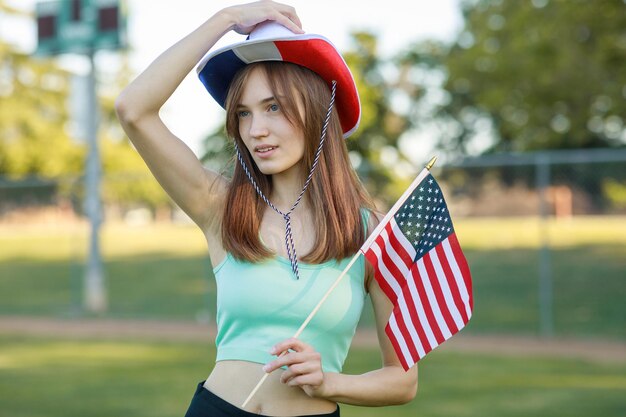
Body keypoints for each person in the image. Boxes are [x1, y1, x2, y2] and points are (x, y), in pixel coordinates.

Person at [115, 1, 418, 416]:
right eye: (243, 113)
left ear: (313, 110)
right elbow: (133, 109)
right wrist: (224, 20)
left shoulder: (370, 233)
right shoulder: (221, 207)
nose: (256, 130)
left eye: (273, 107)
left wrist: (328, 381)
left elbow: (402, 379)